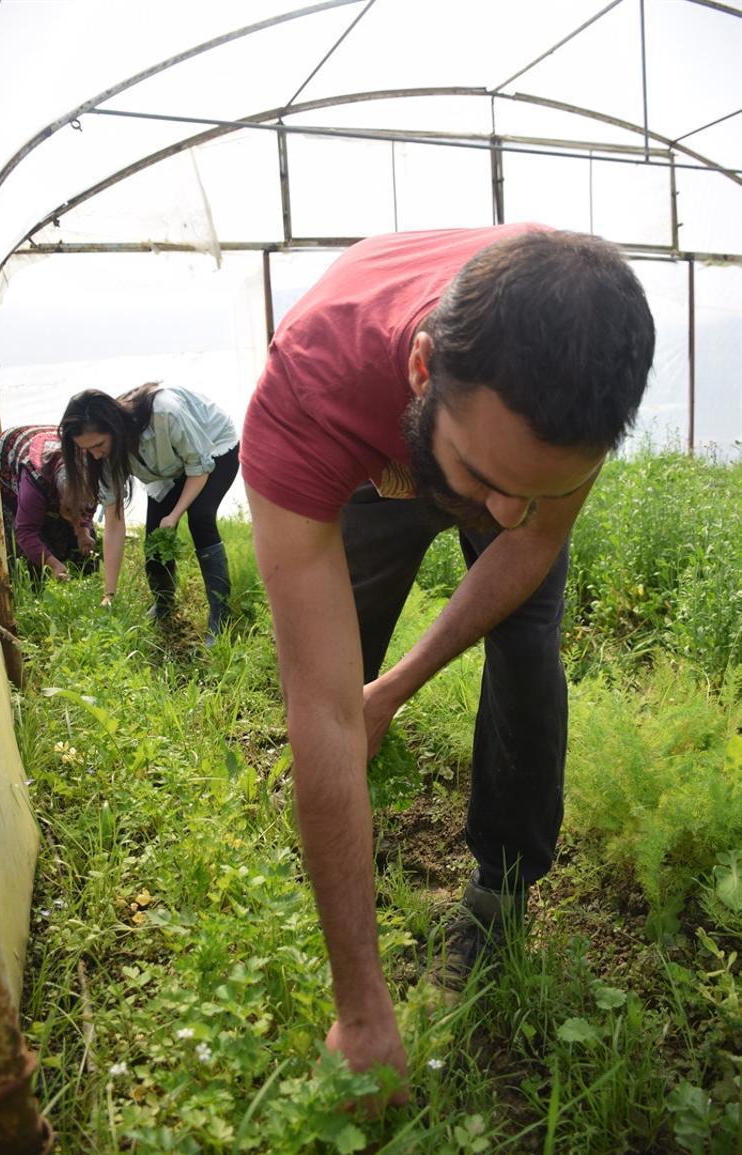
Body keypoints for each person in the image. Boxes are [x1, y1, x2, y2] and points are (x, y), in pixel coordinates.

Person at [239, 224, 656, 1103]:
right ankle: (339, 868)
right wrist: (360, 1012)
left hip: (471, 433)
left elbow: (526, 536)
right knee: (335, 680)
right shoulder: (308, 389)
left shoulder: (581, 376)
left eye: (536, 488)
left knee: (527, 647)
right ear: (424, 367)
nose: (503, 516)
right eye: (487, 478)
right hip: (373, 444)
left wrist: (392, 691)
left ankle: (502, 888)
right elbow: (319, 703)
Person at [59, 384, 240, 642]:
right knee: (156, 533)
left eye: (98, 445)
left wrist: (176, 514)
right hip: (169, 467)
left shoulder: (166, 413)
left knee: (200, 517)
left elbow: (198, 467)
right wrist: (109, 594)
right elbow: (113, 521)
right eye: (87, 450)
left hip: (212, 448)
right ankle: (164, 603)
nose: (95, 455)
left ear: (114, 428)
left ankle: (220, 613)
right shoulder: (103, 455)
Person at [0, 424, 97, 581]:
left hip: (51, 441)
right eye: (69, 510)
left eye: (81, 510)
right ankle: (37, 583)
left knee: (79, 534)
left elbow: (88, 508)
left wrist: (83, 531)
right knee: (32, 534)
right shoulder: (34, 484)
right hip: (11, 450)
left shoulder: (91, 475)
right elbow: (25, 531)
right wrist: (53, 564)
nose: (75, 518)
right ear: (58, 496)